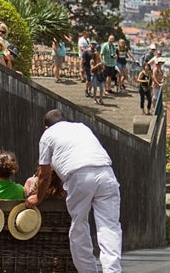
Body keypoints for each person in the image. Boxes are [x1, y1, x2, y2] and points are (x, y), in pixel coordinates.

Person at [25, 109, 122, 273]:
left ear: (46, 127)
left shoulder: (47, 136)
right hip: (106, 173)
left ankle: (88, 271)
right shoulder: (81, 127)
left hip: (79, 176)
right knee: (110, 226)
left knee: (79, 226)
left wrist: (38, 197)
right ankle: (113, 270)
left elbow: (44, 175)